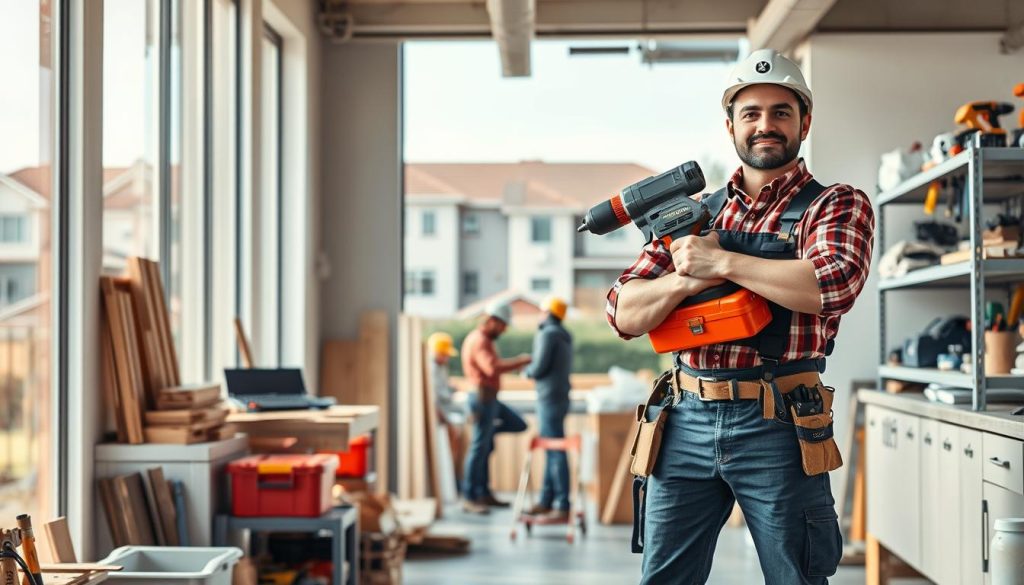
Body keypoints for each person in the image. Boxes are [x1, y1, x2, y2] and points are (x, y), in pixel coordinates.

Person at [605, 49, 875, 584]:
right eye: (751, 113)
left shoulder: (835, 205)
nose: (765, 125)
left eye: (780, 111)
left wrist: (722, 260)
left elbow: (832, 283)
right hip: (683, 419)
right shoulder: (694, 213)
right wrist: (688, 277)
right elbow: (623, 311)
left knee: (794, 577)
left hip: (780, 420)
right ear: (730, 126)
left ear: (805, 123)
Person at [460, 300, 532, 514]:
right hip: (481, 398)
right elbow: (491, 368)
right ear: (491, 321)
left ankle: (483, 493)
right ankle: (470, 497)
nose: (504, 329)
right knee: (478, 448)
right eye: (502, 325)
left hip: (490, 399)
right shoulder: (479, 341)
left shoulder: (484, 340)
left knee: (517, 425)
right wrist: (520, 361)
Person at [523, 296, 574, 520]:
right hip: (559, 397)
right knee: (552, 446)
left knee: (554, 449)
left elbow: (539, 367)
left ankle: (562, 504)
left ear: (546, 312)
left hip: (548, 398)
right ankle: (546, 500)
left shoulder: (547, 333)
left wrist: (527, 371)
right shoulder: (563, 335)